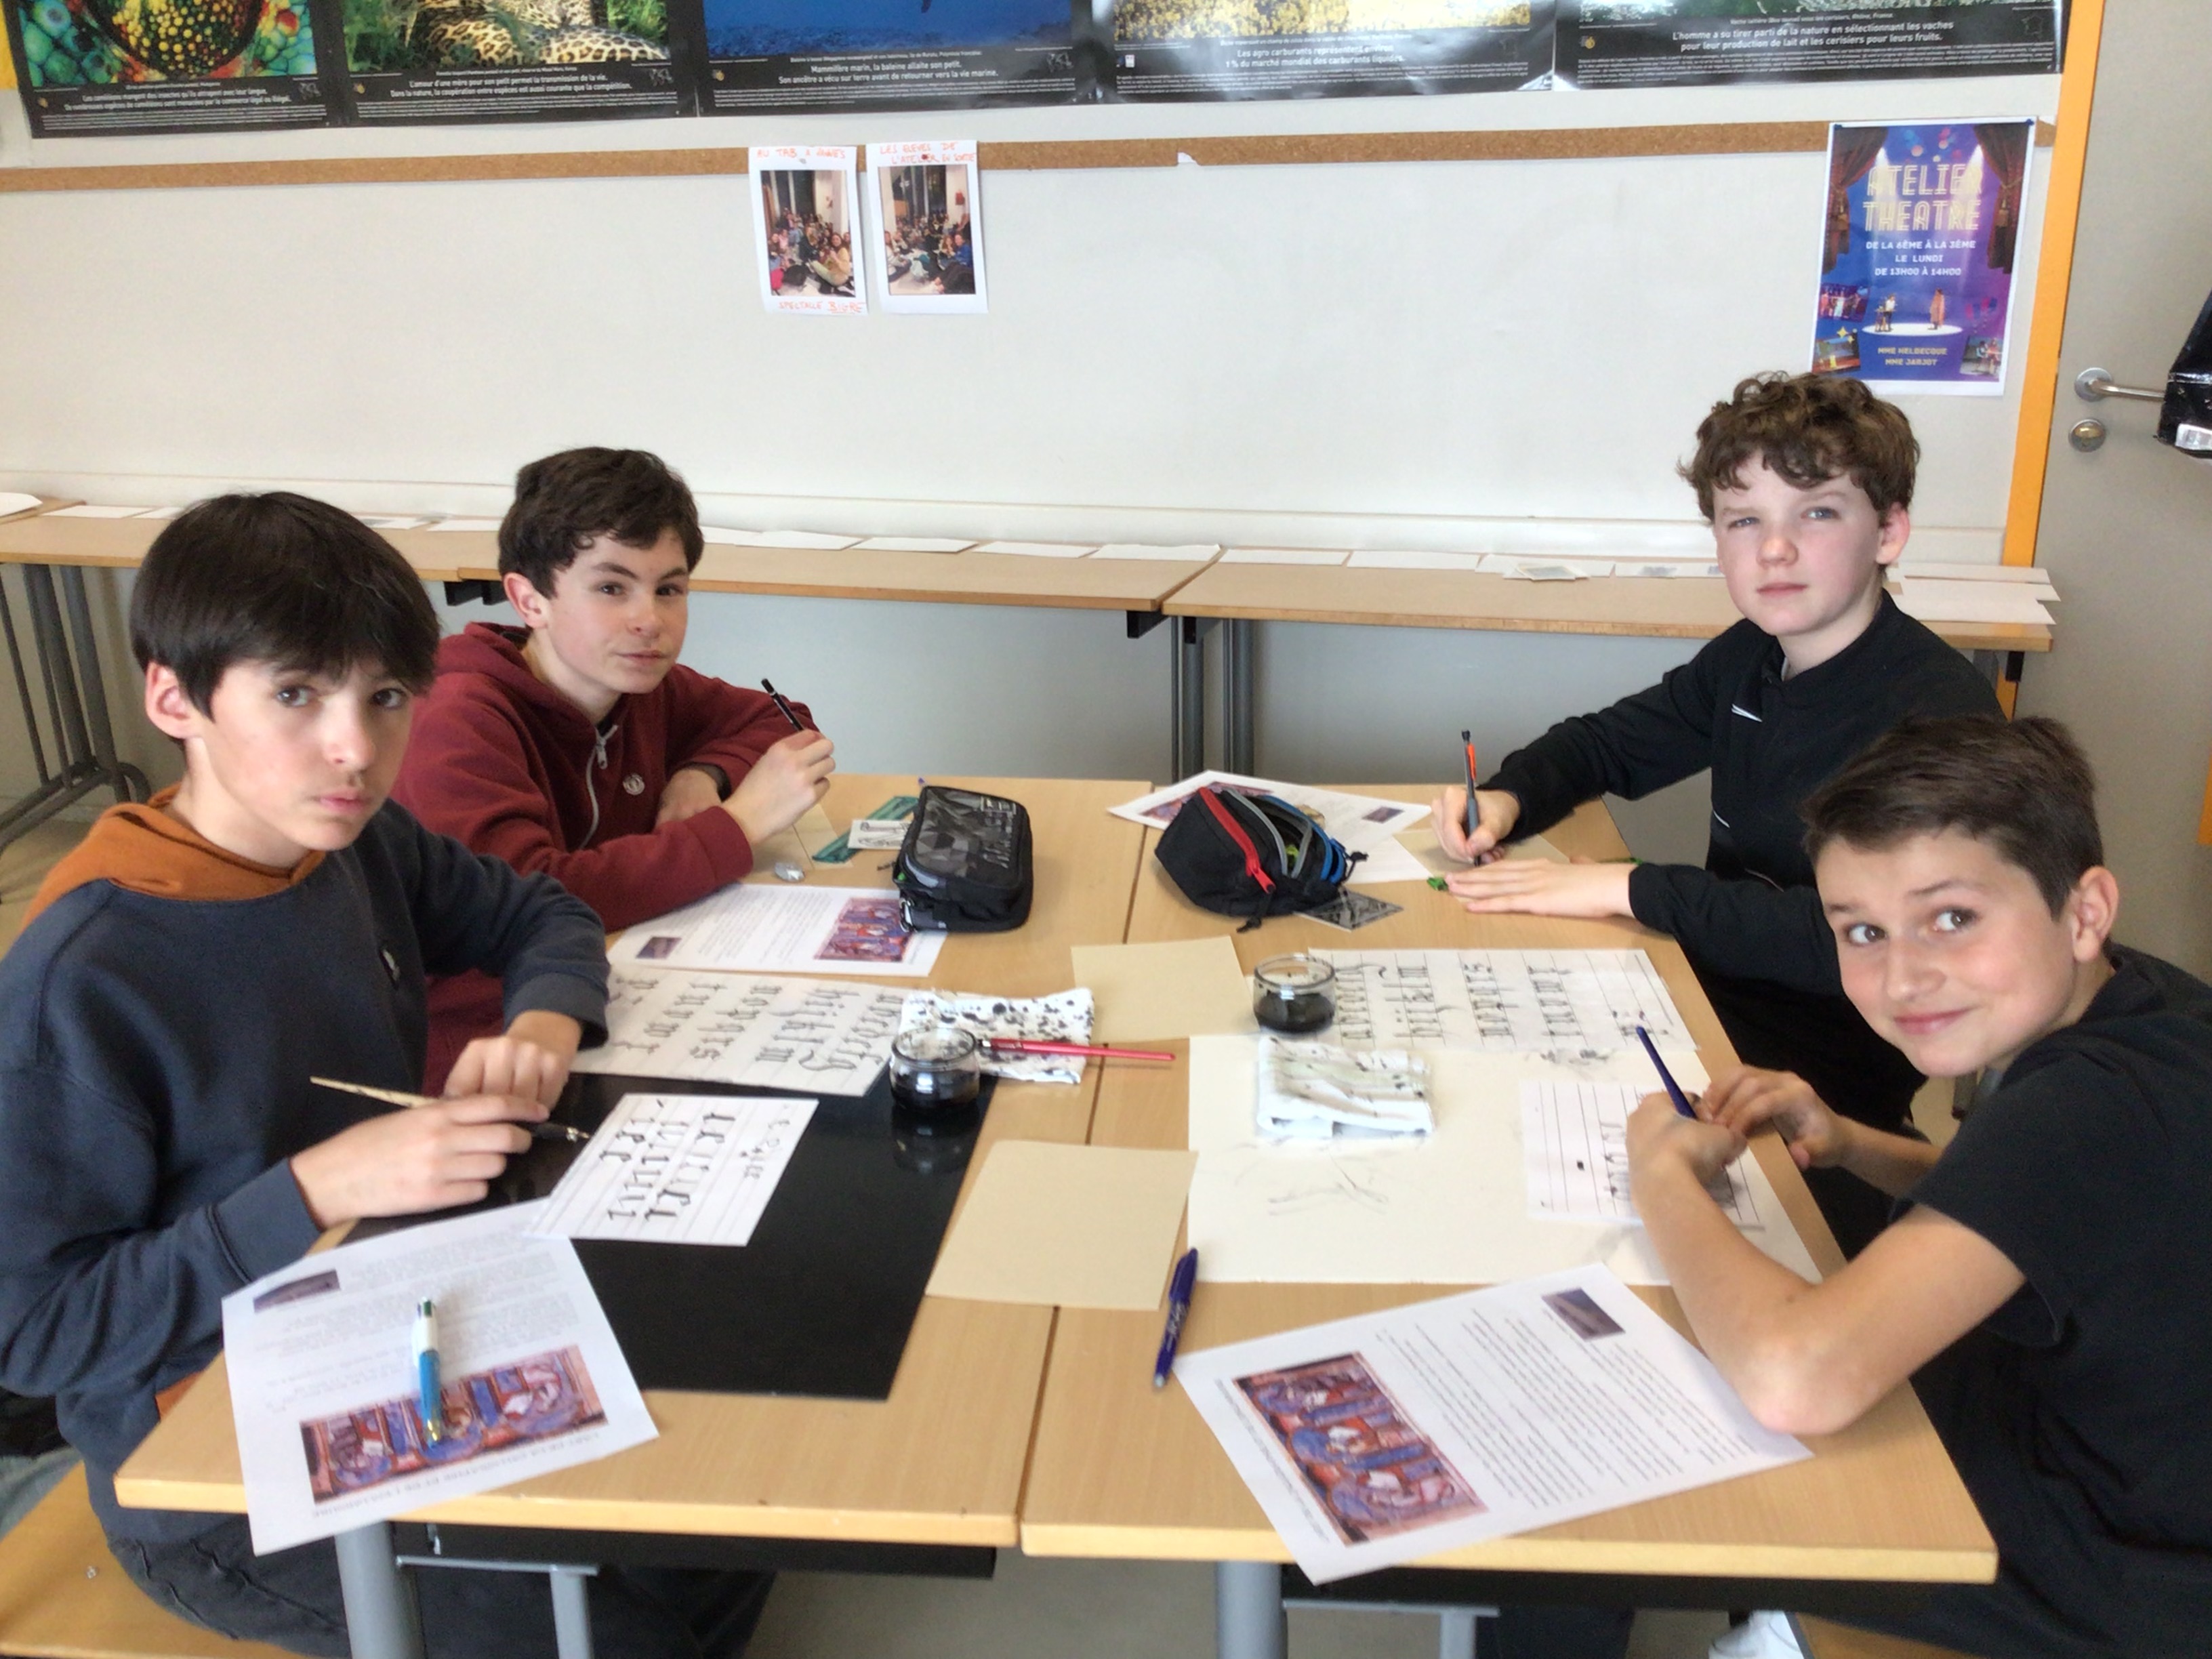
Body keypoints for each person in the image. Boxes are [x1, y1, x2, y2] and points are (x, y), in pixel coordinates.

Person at [0, 494, 754, 1654]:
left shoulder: (351, 841)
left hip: (401, 1314)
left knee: (727, 1521)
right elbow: (37, 1333)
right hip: (209, 1467)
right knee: (623, 1635)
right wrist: (315, 1190)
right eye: (295, 695)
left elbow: (541, 911)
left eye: (387, 698)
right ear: (173, 698)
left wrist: (545, 1019)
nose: (355, 749)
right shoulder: (83, 976)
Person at [1629, 713, 2212, 1659]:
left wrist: (1662, 1179)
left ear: (2084, 910)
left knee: (1669, 1461)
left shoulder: (2084, 1105)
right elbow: (2039, 1211)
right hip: (2129, 1478)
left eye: (1953, 918)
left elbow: (1794, 1381)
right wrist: (1850, 1141)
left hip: (2111, 1575)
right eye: (1863, 931)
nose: (1902, 978)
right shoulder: (2144, 1002)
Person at [1428, 371, 1999, 1254]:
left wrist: (1635, 890)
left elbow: (1861, 943)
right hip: (1701, 1004)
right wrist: (1509, 795)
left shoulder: (1935, 714)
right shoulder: (1753, 655)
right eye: (1743, 521)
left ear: (1888, 532)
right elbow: (1609, 744)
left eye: (1817, 513)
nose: (1775, 550)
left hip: (1821, 1091)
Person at [393, 448, 836, 1086]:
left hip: (621, 983)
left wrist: (703, 774)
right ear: (529, 600)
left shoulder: (639, 687)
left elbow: (780, 718)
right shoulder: (456, 716)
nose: (649, 621)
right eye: (610, 588)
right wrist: (735, 827)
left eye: (669, 590)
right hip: (488, 1047)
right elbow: (533, 898)